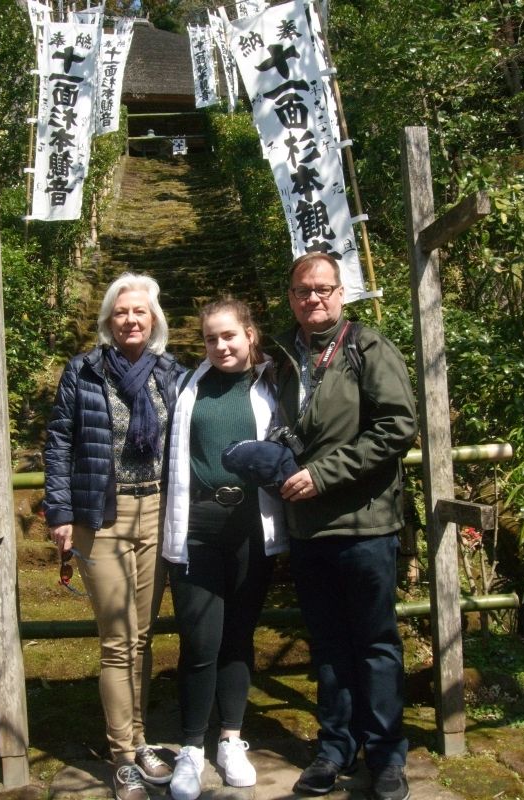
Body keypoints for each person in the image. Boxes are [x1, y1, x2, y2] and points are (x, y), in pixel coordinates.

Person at [273, 252, 417, 800]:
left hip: (366, 523)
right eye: (304, 290)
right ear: (291, 297)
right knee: (328, 644)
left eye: (325, 288)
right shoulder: (284, 357)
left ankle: (385, 757)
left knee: (376, 642)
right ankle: (334, 749)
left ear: (342, 293)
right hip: (308, 528)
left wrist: (323, 475)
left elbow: (396, 426)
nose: (315, 298)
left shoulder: (367, 347)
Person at [43, 273, 185, 800]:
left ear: (154, 320)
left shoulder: (171, 373)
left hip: (157, 509)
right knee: (118, 640)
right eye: (121, 311)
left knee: (143, 638)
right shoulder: (82, 371)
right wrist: (59, 513)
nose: (131, 319)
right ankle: (124, 756)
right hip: (100, 515)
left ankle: (141, 739)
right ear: (108, 319)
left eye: (140, 312)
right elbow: (58, 442)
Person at [163, 297, 288, 800]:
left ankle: (231, 738)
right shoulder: (185, 386)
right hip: (196, 529)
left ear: (249, 334)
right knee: (200, 642)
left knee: (239, 638)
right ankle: (191, 748)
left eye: (229, 336)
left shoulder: (274, 385)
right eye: (211, 338)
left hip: (252, 530)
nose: (220, 346)